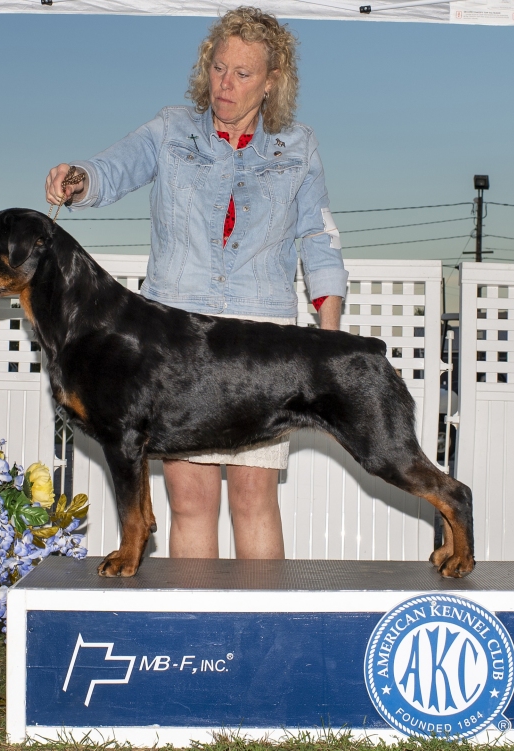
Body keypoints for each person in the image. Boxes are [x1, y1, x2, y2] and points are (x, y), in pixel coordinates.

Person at [45, 7, 347, 563]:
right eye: (218, 67)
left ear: (272, 81)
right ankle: (200, 640)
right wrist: (80, 178)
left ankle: (263, 635)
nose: (224, 84)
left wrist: (328, 340)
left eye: (242, 73)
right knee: (188, 501)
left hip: (262, 339)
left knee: (255, 498)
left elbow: (318, 237)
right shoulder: (169, 128)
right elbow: (112, 170)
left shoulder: (299, 146)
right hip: (175, 339)